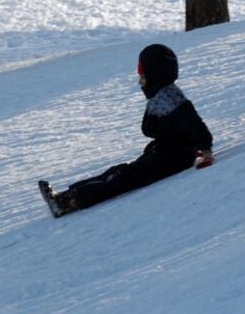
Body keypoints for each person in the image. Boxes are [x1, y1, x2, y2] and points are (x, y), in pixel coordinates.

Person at [39, 44, 214, 218]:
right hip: (166, 154)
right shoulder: (161, 96)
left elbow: (196, 128)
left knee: (123, 178)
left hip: (171, 158)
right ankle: (65, 197)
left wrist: (203, 151)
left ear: (155, 73)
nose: (140, 80)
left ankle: (69, 201)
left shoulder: (170, 99)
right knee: (118, 172)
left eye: (143, 74)